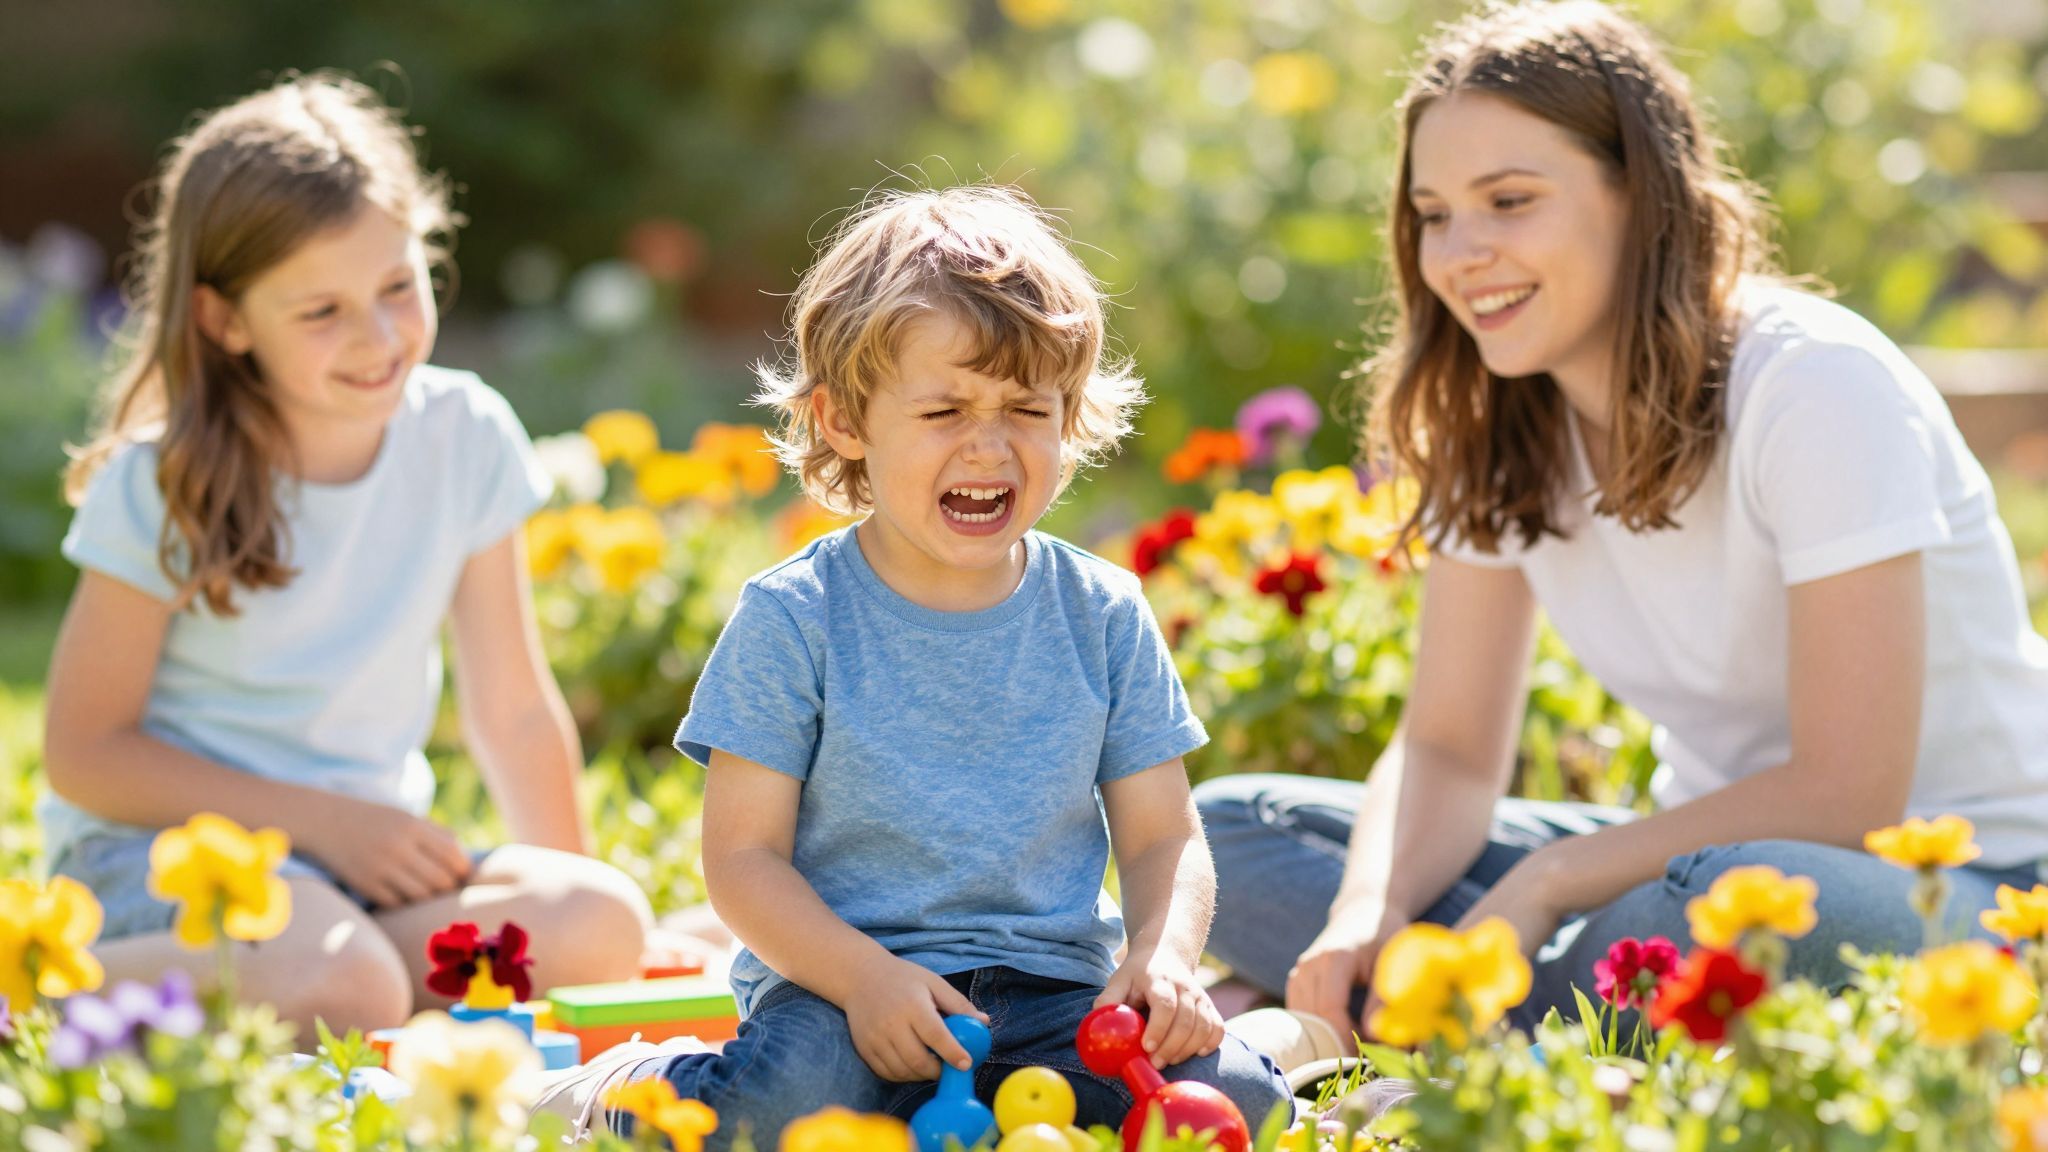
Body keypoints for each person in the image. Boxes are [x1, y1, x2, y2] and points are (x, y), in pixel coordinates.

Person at [1195, 0, 2048, 1038]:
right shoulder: (1502, 422)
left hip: (1964, 888)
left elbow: (1847, 796)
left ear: (1639, 194)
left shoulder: (1812, 385)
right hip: (1674, 865)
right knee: (1228, 835)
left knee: (1719, 899)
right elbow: (1450, 749)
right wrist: (1366, 911)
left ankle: (1470, 1010)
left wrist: (1550, 881)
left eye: (1509, 201)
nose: (1459, 253)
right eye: (1432, 214)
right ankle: (1506, 998)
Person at [534, 185, 1291, 1149]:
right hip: (846, 993)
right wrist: (863, 979)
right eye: (944, 409)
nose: (990, 446)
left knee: (1242, 1102)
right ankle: (632, 1084)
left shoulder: (1102, 611)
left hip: (1057, 999)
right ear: (844, 421)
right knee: (780, 1105)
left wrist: (1164, 955)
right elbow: (742, 860)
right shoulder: (795, 616)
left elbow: (1162, 839)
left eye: (1029, 408)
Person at [39, 74, 651, 1038]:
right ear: (225, 320)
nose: (377, 337)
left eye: (398, 287)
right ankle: (36, 993)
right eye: (321, 311)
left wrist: (565, 892)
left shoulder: (465, 433)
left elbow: (513, 710)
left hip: (367, 871)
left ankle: (317, 986)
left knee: (600, 920)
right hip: (168, 863)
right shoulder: (165, 482)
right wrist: (324, 825)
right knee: (346, 980)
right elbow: (85, 753)